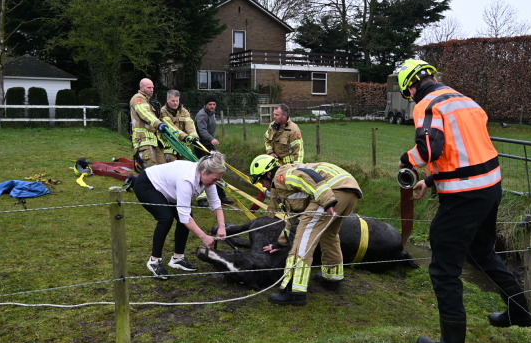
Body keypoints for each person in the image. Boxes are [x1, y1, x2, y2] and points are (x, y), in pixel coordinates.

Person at [396, 59, 531, 343]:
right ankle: (520, 310)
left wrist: (406, 161)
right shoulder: (465, 100)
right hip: (491, 187)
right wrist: (431, 180)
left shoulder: (427, 105)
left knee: (444, 269)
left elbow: (429, 149)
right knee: (482, 253)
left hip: (463, 197)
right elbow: (465, 151)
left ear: (410, 88)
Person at [249, 154, 362, 306]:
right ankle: (332, 278)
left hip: (331, 192)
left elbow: (309, 176)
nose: (263, 186)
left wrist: (327, 202)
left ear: (269, 174)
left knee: (303, 239)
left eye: (261, 181)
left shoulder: (283, 176)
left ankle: (294, 291)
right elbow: (292, 218)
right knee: (329, 235)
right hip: (349, 190)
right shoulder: (285, 185)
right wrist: (280, 243)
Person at [133, 151, 228, 279]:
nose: (215, 183)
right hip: (148, 184)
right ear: (204, 171)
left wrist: (222, 226)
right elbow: (184, 216)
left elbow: (216, 204)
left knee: (188, 220)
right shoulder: (187, 179)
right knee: (166, 218)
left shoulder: (209, 179)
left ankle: (177, 259)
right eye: (214, 179)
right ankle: (154, 261)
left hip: (169, 190)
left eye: (218, 179)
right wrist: (203, 236)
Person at [129, 78, 184, 173]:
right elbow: (145, 114)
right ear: (141, 88)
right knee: (151, 169)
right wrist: (159, 124)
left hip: (155, 141)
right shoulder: (138, 98)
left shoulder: (151, 101)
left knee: (162, 168)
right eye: (149, 87)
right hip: (143, 140)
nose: (152, 89)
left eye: (152, 87)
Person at [194, 94, 233, 205]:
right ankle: (201, 199)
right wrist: (212, 139)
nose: (212, 106)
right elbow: (202, 131)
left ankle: (221, 196)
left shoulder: (212, 114)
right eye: (210, 104)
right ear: (205, 105)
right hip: (201, 146)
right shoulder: (201, 115)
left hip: (210, 146)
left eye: (214, 104)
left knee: (218, 169)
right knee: (203, 171)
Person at [160, 89, 198, 162]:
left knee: (186, 168)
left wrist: (194, 137)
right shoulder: (163, 111)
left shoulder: (184, 111)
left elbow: (189, 125)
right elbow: (171, 127)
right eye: (173, 101)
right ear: (167, 100)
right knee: (172, 169)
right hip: (169, 146)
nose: (175, 103)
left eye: (177, 101)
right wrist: (185, 137)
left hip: (183, 147)